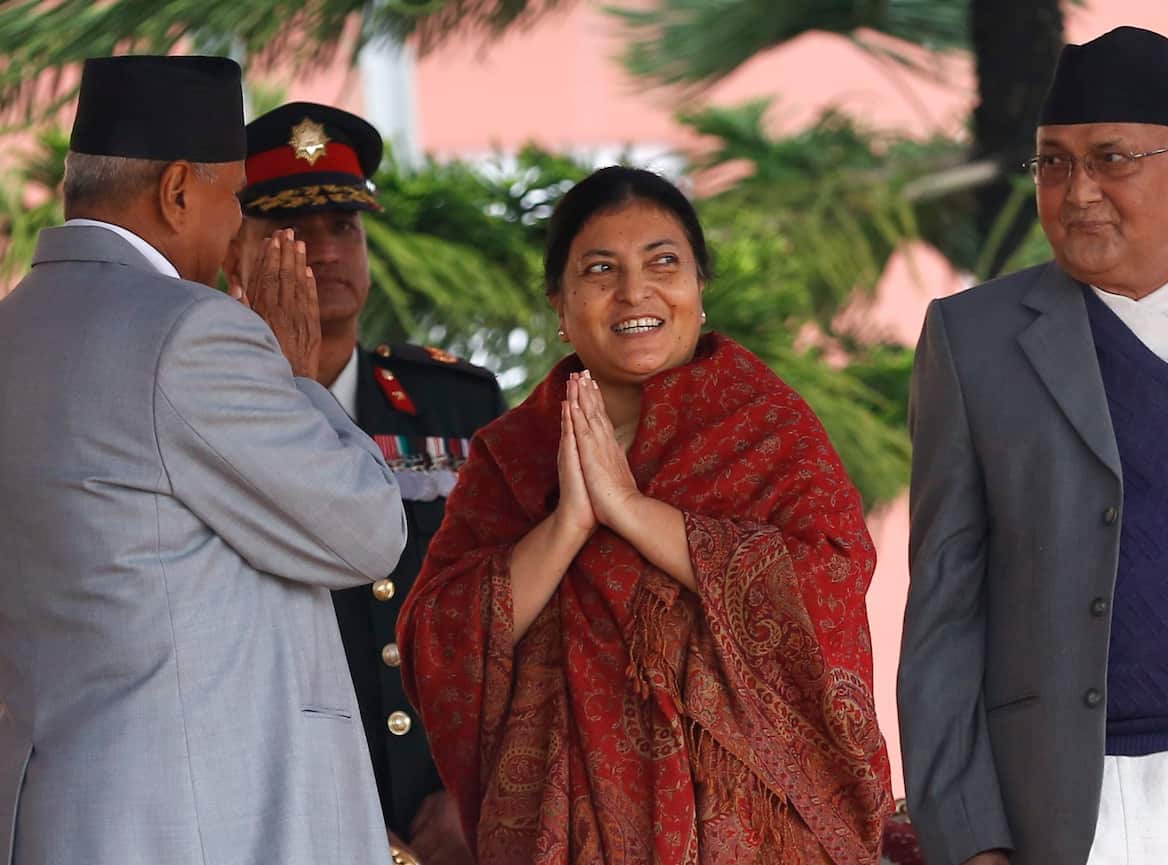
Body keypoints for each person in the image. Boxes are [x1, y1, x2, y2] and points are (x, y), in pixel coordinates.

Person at [396, 166, 893, 865]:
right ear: (561, 306)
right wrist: (567, 523)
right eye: (601, 269)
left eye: (663, 262)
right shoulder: (514, 455)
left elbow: (828, 585)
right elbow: (437, 643)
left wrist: (631, 512)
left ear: (698, 289)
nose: (635, 292)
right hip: (562, 836)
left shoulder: (767, 428)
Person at [0, 56, 406, 864]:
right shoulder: (188, 332)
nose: (235, 234)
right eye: (236, 199)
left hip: (61, 816)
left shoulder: (16, 328)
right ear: (179, 190)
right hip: (198, 822)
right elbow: (367, 531)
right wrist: (296, 382)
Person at [899, 25, 1168, 865]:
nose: (1077, 192)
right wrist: (969, 838)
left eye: (1110, 158)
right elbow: (944, 615)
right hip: (1076, 801)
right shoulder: (974, 339)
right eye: (1055, 162)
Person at [224, 101, 505, 864]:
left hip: (445, 813)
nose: (324, 250)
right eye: (291, 231)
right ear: (231, 250)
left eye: (343, 226)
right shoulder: (206, 404)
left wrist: (479, 789)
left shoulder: (456, 401)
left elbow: (512, 606)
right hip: (283, 812)